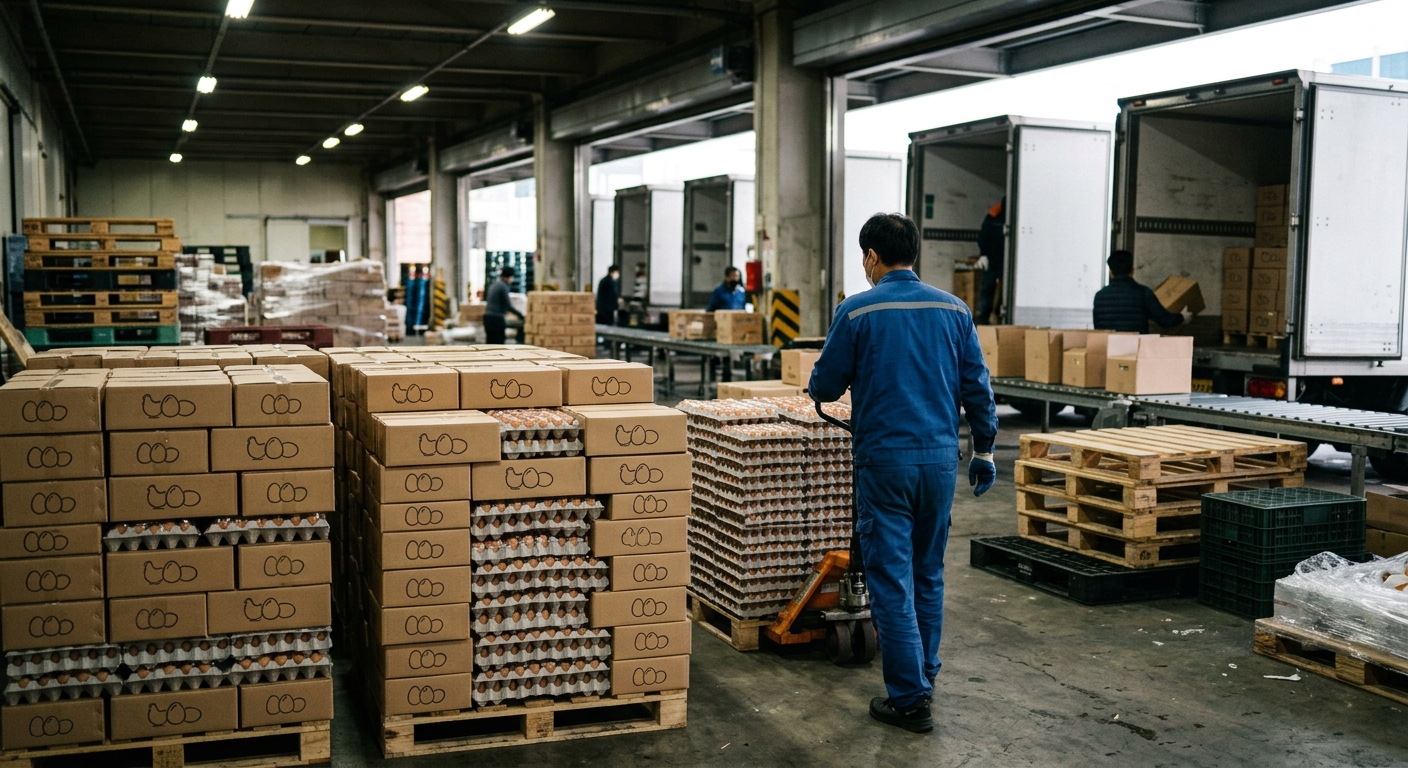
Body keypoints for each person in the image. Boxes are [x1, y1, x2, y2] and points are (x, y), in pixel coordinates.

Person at [809, 213, 999, 734]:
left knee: (891, 579)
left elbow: (824, 386)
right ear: (913, 253)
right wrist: (983, 450)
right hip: (940, 462)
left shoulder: (856, 311)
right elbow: (978, 389)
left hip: (885, 463)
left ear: (872, 257)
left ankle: (910, 698)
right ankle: (926, 674)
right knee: (928, 573)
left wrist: (823, 382)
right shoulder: (955, 310)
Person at [1092, 250, 1191, 333]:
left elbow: (1098, 328)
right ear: (1132, 271)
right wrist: (1183, 317)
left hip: (1108, 351)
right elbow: (1165, 321)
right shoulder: (1143, 293)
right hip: (1135, 351)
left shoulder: (1099, 296)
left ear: (1111, 272)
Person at [975, 198, 1005, 324]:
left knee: (1002, 289)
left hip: (1005, 259)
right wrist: (984, 254)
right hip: (993, 258)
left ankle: (998, 313)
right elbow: (983, 236)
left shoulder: (1000, 214)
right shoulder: (993, 215)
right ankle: (984, 316)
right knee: (988, 287)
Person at [484, 265, 524, 345]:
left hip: (487, 318)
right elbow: (508, 306)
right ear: (508, 277)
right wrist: (521, 315)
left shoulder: (494, 284)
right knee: (498, 346)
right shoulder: (503, 286)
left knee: (490, 346)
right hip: (496, 319)